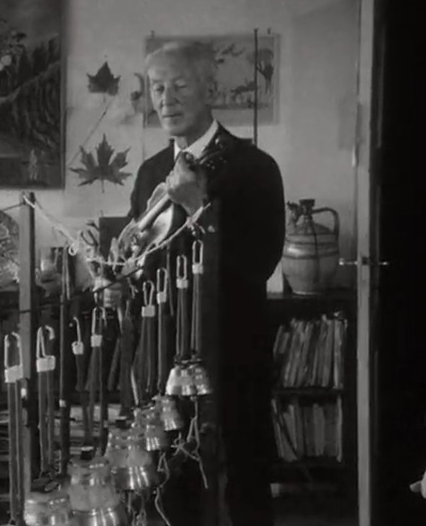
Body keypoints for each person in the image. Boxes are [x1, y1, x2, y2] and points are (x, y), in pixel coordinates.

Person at [123, 42, 285, 525]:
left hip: (230, 355)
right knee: (168, 482)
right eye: (157, 88)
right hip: (162, 356)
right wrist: (122, 279)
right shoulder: (152, 171)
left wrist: (200, 210)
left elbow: (259, 265)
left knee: (239, 482)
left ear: (210, 89)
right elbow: (146, 265)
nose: (166, 99)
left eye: (180, 85)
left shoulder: (255, 168)